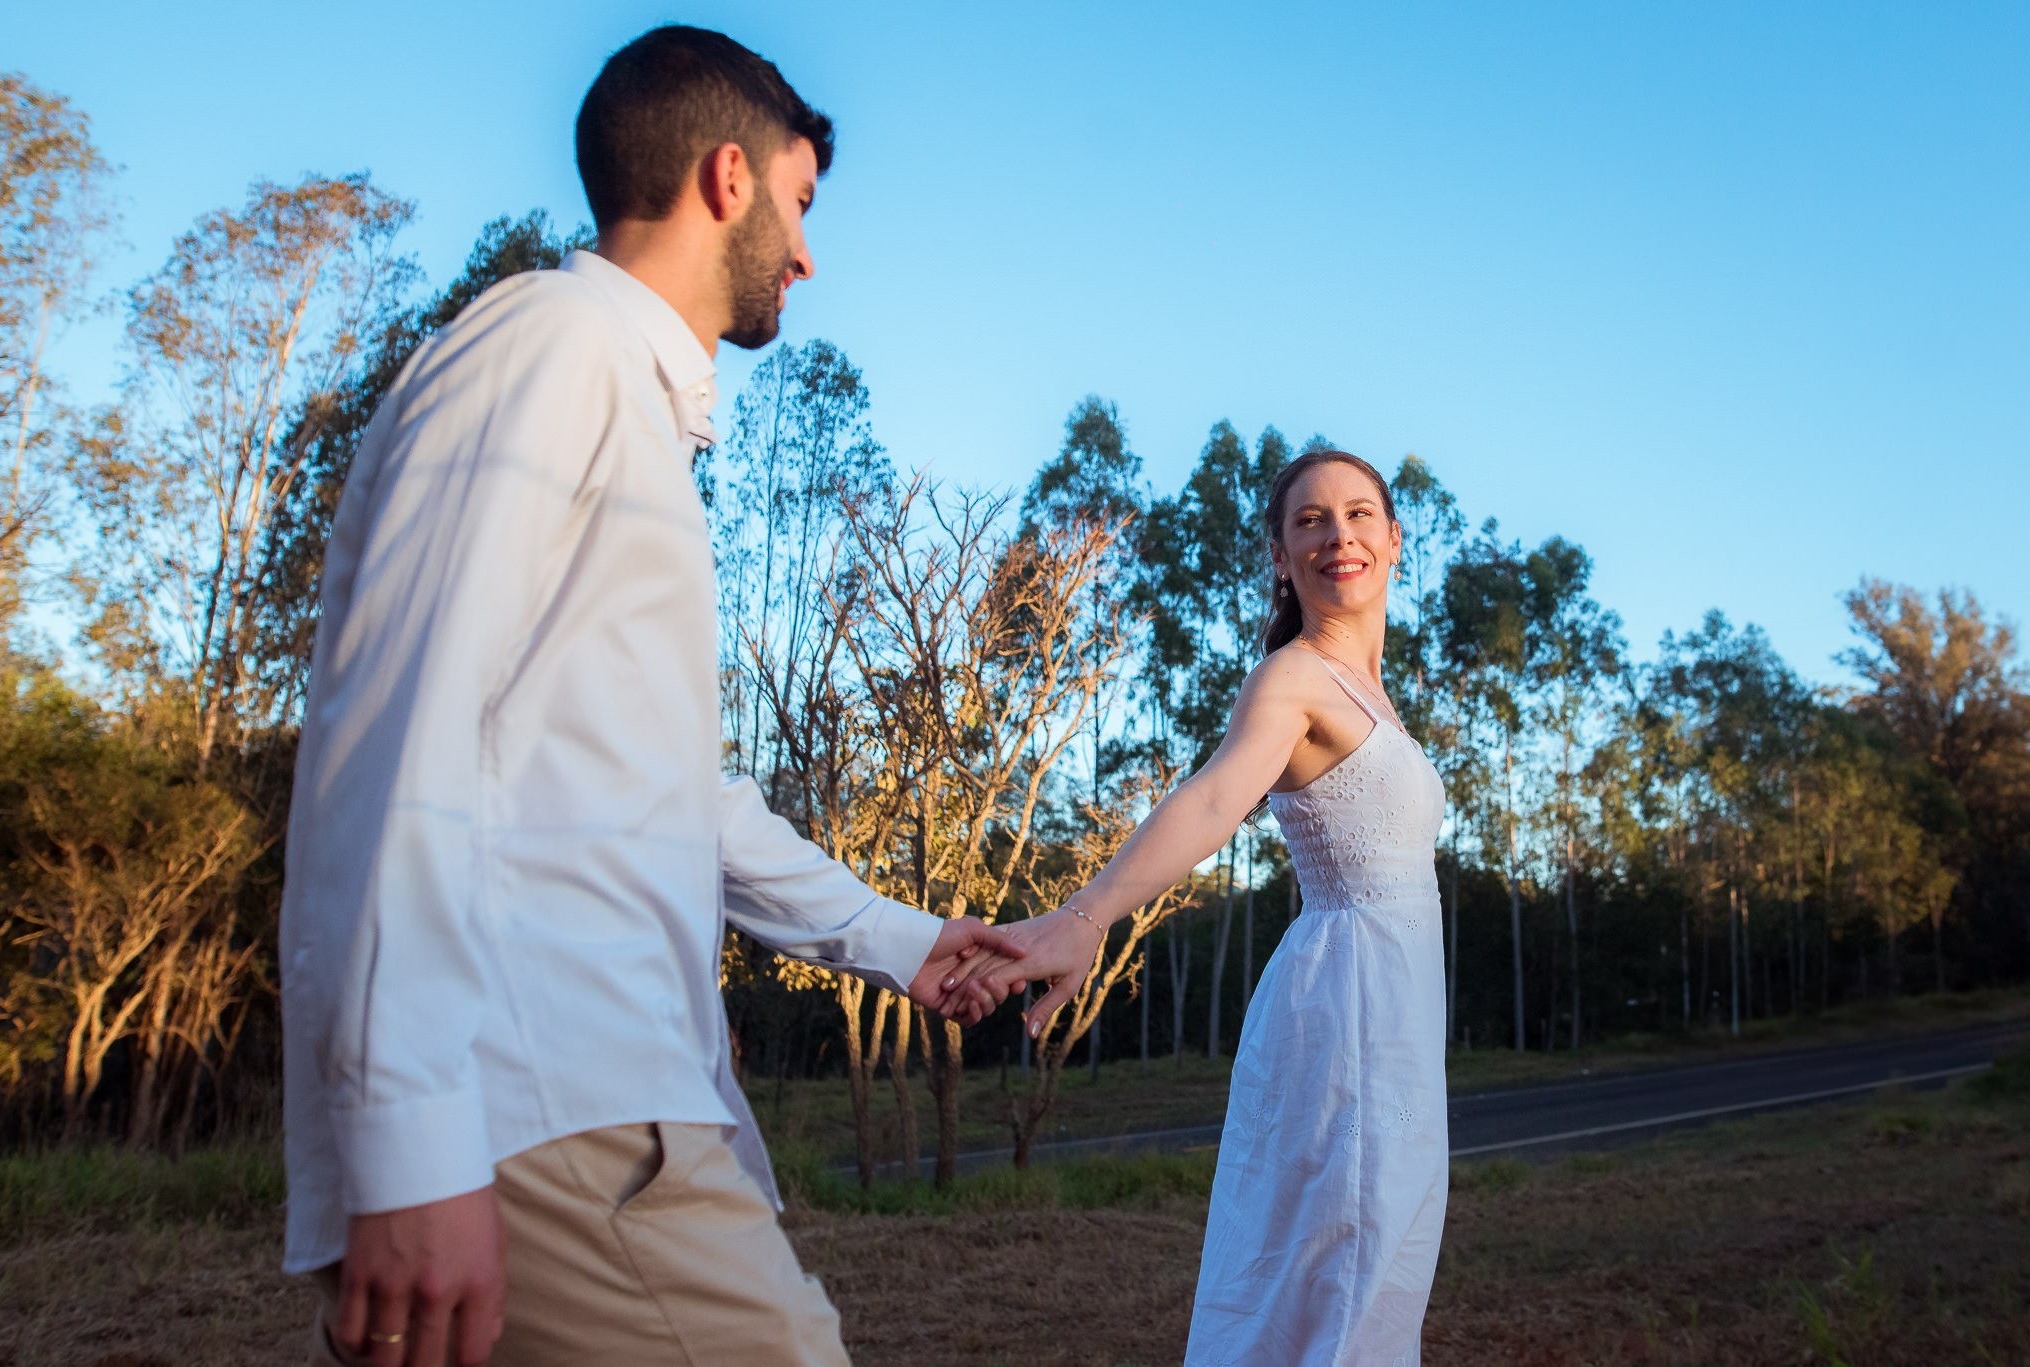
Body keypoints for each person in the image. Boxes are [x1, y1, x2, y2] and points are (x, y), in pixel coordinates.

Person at [279, 26, 1019, 1367]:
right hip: (542, 1108)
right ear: (728, 177)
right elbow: (403, 732)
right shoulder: (551, 346)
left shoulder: (619, 403)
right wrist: (410, 1137)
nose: (807, 255)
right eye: (800, 201)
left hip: (572, 1110)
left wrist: (899, 940)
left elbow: (673, 795)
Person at [948, 449, 1450, 1364]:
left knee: (1379, 1278)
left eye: (1357, 514)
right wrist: (1086, 916)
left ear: (1394, 538)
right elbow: (1215, 798)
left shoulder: (1370, 691)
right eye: (1309, 520)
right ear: (1280, 556)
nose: (1337, 534)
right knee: (1342, 1277)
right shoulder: (1293, 678)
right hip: (1351, 1010)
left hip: (1404, 1022)